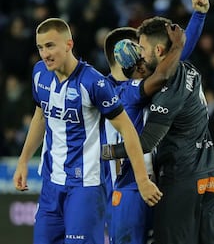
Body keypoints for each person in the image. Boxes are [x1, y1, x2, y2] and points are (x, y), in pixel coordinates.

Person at [12, 17, 162, 244]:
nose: (45, 54)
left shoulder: (94, 83)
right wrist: (23, 160)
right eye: (40, 47)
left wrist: (142, 180)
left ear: (68, 45)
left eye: (50, 45)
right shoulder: (39, 74)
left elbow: (128, 129)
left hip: (86, 188)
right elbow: (40, 117)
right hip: (50, 184)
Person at [102, 0, 210, 244]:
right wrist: (107, 152)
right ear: (124, 60)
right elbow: (165, 69)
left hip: (153, 185)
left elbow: (173, 60)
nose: (145, 55)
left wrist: (199, 16)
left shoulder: (142, 83)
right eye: (139, 50)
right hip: (129, 187)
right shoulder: (125, 92)